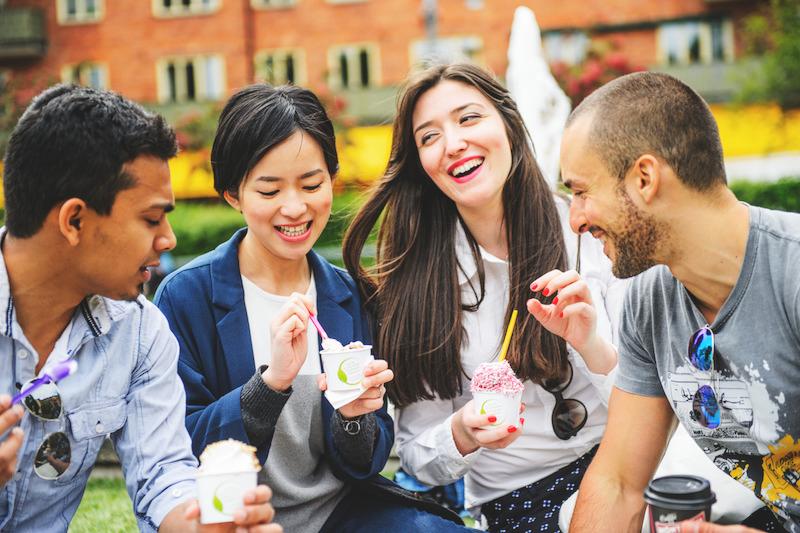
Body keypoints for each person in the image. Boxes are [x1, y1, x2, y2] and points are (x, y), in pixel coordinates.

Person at [154, 84, 477, 532]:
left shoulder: (352, 297)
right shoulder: (183, 298)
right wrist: (270, 385)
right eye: (269, 191)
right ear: (233, 194)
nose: (295, 207)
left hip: (342, 515)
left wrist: (354, 417)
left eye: (312, 184)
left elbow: (365, 463)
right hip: (232, 520)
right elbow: (178, 447)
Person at [343, 62, 625, 532]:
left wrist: (592, 344)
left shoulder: (590, 235)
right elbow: (415, 455)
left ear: (509, 124)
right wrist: (461, 432)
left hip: (620, 469)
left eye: (469, 118)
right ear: (421, 166)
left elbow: (656, 402)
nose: (453, 144)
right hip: (520, 502)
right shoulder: (419, 284)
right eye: (429, 137)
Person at [0, 85, 279, 532]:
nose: (168, 239)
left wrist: (204, 524)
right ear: (74, 220)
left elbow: (164, 474)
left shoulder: (140, 329)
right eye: (151, 219)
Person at [562, 72, 800, 533]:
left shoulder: (791, 271)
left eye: (581, 191)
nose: (575, 220)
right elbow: (618, 484)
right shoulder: (650, 302)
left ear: (645, 179)